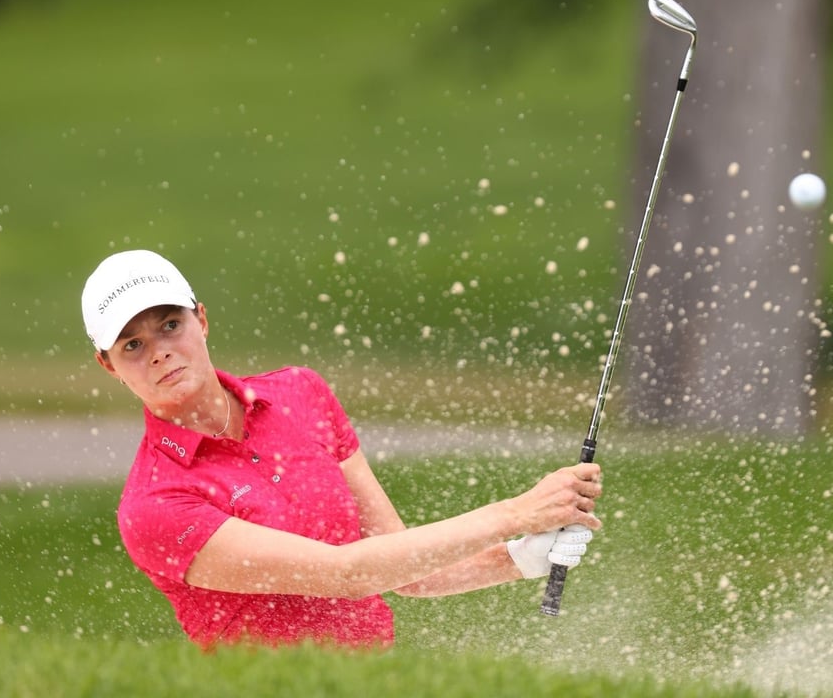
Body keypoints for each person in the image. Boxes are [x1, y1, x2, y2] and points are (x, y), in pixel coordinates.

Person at [80, 249, 602, 649]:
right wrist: (514, 513)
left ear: (202, 319)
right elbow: (346, 574)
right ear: (108, 365)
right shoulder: (155, 504)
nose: (160, 352)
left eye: (170, 325)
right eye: (133, 344)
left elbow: (405, 570)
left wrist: (519, 558)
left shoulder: (300, 394)